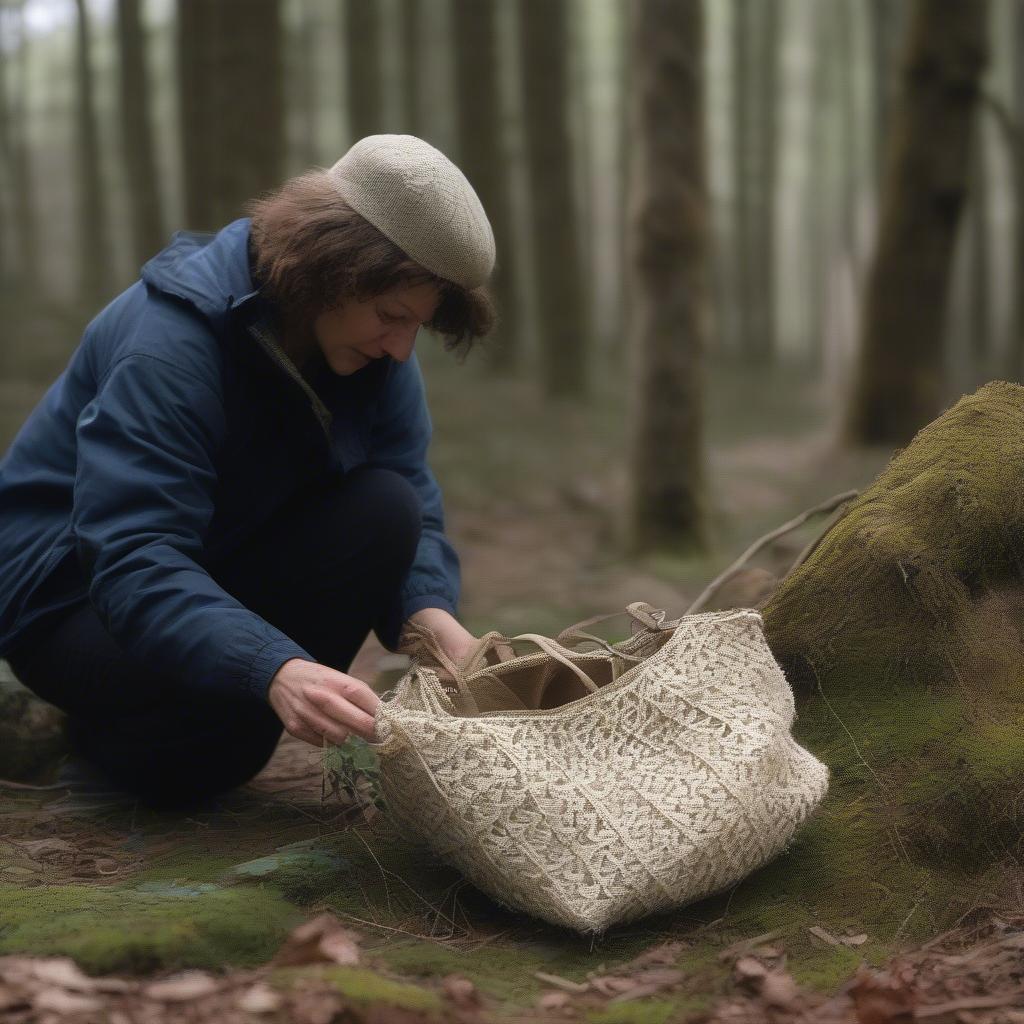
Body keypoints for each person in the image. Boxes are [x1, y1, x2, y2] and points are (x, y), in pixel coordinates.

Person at [0, 134, 497, 810]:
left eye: (418, 325)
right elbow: (135, 554)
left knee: (387, 510)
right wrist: (273, 668)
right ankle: (86, 733)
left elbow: (406, 486)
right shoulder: (169, 349)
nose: (401, 347)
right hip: (71, 595)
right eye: (391, 317)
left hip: (210, 557)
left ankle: (215, 722)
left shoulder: (374, 354)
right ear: (335, 267)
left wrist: (431, 617)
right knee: (206, 763)